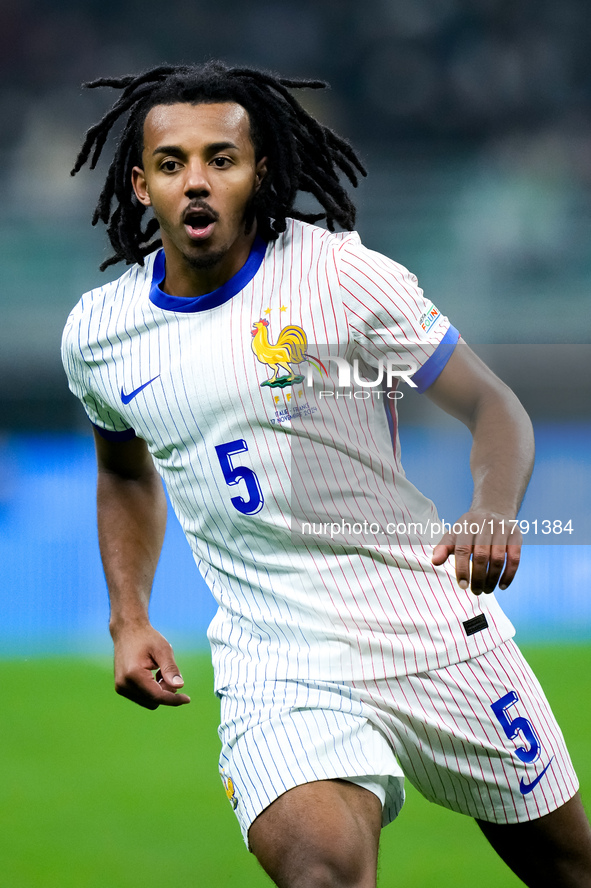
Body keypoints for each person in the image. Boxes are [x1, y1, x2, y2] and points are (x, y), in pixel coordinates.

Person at [62, 61, 591, 887]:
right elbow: (125, 473)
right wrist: (128, 615)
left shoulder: (341, 278)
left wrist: (493, 506)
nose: (196, 182)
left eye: (221, 159)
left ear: (260, 168)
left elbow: (493, 407)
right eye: (172, 164)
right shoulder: (101, 333)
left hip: (427, 627)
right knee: (322, 876)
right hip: (275, 656)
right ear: (139, 183)